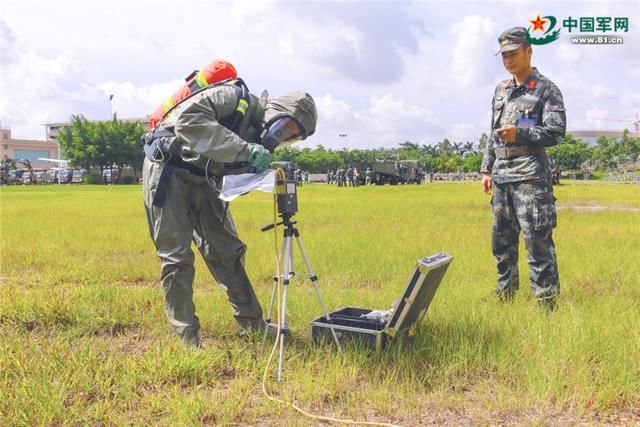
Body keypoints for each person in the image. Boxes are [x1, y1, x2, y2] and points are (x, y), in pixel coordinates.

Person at [142, 79, 317, 347]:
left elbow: (228, 168)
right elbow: (188, 122)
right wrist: (244, 150)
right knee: (177, 257)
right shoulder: (232, 98)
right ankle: (187, 337)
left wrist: (253, 173)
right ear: (273, 112)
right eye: (283, 126)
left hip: (207, 179)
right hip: (169, 170)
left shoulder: (255, 138)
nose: (281, 136)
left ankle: (252, 324)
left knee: (228, 251)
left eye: (291, 135)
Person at [480, 27, 566, 311]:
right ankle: (505, 293)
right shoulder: (500, 90)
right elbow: (492, 133)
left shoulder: (546, 89)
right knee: (501, 241)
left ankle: (546, 302)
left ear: (529, 50)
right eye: (504, 55)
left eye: (513, 54)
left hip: (530, 175)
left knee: (537, 240)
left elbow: (555, 132)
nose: (508, 60)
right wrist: (487, 170)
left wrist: (520, 133)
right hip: (502, 175)